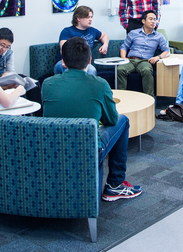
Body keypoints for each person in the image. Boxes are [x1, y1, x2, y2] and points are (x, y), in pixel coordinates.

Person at [42, 37, 143, 202]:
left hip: (52, 147)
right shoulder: (100, 84)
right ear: (89, 61)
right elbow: (111, 119)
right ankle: (115, 185)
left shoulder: (47, 84)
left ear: (63, 63)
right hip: (87, 149)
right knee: (122, 120)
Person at [117, 10, 169, 96]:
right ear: (143, 21)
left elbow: (167, 51)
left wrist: (157, 57)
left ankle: (150, 99)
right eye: (150, 19)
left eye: (154, 19)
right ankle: (121, 97)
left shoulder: (159, 36)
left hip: (145, 61)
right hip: (130, 60)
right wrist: (123, 58)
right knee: (120, 69)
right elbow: (124, 47)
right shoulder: (133, 33)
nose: (153, 21)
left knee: (147, 70)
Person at [54, 5, 109, 76]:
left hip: (83, 63)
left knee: (92, 70)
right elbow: (63, 48)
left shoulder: (92, 30)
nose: (90, 19)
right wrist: (65, 61)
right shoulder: (67, 31)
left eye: (91, 17)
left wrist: (105, 44)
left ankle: (88, 87)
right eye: (87, 17)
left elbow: (104, 35)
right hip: (66, 62)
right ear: (78, 18)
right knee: (69, 71)